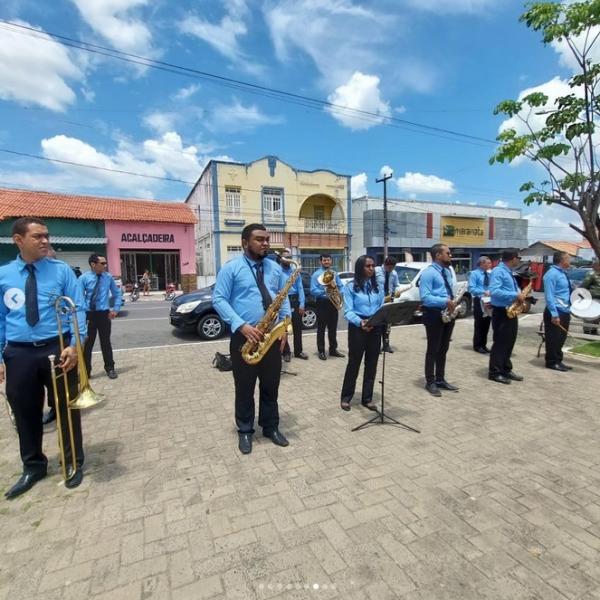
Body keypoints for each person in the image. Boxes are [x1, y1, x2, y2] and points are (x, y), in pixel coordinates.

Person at [0, 217, 87, 498]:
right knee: (25, 413)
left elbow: (78, 310)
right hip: (19, 352)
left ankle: (73, 461)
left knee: (66, 408)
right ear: (18, 240)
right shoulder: (4, 276)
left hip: (57, 348)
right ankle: (34, 466)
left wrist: (75, 346)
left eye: (46, 236)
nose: (45, 241)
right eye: (38, 236)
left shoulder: (61, 271)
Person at [213, 224, 291, 455]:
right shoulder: (231, 268)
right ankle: (245, 430)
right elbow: (219, 299)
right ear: (245, 242)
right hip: (244, 337)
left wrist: (284, 327)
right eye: (259, 239)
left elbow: (282, 297)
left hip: (271, 336)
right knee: (244, 388)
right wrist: (241, 325)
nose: (265, 243)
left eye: (267, 239)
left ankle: (270, 427)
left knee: (271, 386)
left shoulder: (274, 268)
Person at [340, 255, 385, 411]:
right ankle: (346, 397)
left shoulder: (377, 286)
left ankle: (367, 398)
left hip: (375, 326)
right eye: (368, 266)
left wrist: (378, 320)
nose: (372, 268)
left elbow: (381, 305)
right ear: (360, 268)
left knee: (371, 364)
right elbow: (347, 311)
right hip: (358, 326)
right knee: (354, 363)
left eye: (373, 265)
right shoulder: (350, 287)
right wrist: (361, 322)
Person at [419, 243, 460, 397]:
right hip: (434, 314)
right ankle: (430, 381)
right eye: (448, 253)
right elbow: (425, 297)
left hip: (448, 314)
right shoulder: (428, 273)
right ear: (438, 255)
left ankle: (440, 379)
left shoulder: (447, 271)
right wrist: (445, 301)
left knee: (443, 348)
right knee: (433, 349)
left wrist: (452, 303)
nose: (451, 256)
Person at [80, 254, 122, 380]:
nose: (105, 265)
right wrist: (81, 316)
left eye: (105, 263)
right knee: (87, 345)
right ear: (93, 264)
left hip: (104, 314)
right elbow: (79, 298)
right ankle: (86, 372)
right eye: (102, 263)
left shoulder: (107, 277)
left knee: (106, 343)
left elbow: (117, 293)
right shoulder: (83, 278)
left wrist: (116, 309)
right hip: (89, 315)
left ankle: (110, 368)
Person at [488, 248, 526, 385]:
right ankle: (495, 372)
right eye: (519, 258)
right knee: (500, 343)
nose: (519, 261)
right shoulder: (498, 271)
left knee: (509, 342)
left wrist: (520, 294)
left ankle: (506, 369)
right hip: (501, 311)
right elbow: (494, 291)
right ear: (514, 258)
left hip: (510, 311)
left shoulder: (508, 271)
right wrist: (515, 295)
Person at [310, 254, 345, 360]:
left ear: (331, 261)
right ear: (320, 261)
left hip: (333, 303)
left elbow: (341, 286)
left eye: (328, 260)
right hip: (322, 303)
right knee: (321, 329)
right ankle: (321, 351)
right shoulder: (316, 275)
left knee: (333, 328)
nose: (326, 262)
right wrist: (325, 291)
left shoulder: (334, 273)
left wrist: (339, 292)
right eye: (324, 260)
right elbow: (313, 290)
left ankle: (333, 349)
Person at [543, 251, 573, 372]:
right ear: (561, 260)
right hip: (555, 310)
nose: (570, 261)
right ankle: (551, 361)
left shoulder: (563, 273)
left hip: (564, 310)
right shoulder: (551, 274)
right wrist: (554, 314)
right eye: (568, 259)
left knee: (561, 337)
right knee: (553, 338)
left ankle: (558, 360)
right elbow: (549, 296)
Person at [279, 248, 308, 361]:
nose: (288, 259)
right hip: (282, 301)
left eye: (290, 257)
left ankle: (298, 351)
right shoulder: (277, 271)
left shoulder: (295, 271)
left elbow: (300, 288)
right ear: (281, 259)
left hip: (295, 300)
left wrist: (302, 304)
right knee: (283, 329)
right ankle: (286, 352)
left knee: (297, 328)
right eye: (285, 257)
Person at [468, 256, 492, 354]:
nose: (490, 265)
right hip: (479, 300)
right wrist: (483, 292)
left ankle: (483, 344)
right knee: (479, 323)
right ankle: (477, 345)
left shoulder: (489, 274)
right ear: (482, 263)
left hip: (489, 300)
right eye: (488, 263)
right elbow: (471, 288)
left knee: (487, 322)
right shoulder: (474, 274)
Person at [375, 256, 400, 353]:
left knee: (387, 324)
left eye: (392, 268)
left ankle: (386, 345)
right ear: (385, 265)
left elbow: (396, 285)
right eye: (389, 267)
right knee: (378, 323)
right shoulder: (376, 270)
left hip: (389, 300)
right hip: (378, 300)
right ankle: (376, 346)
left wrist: (396, 292)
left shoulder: (394, 273)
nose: (390, 270)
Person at [581, 258, 600, 334]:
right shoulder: (591, 274)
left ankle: (594, 330)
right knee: (590, 316)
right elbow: (584, 285)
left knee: (597, 317)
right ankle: (586, 331)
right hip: (593, 298)